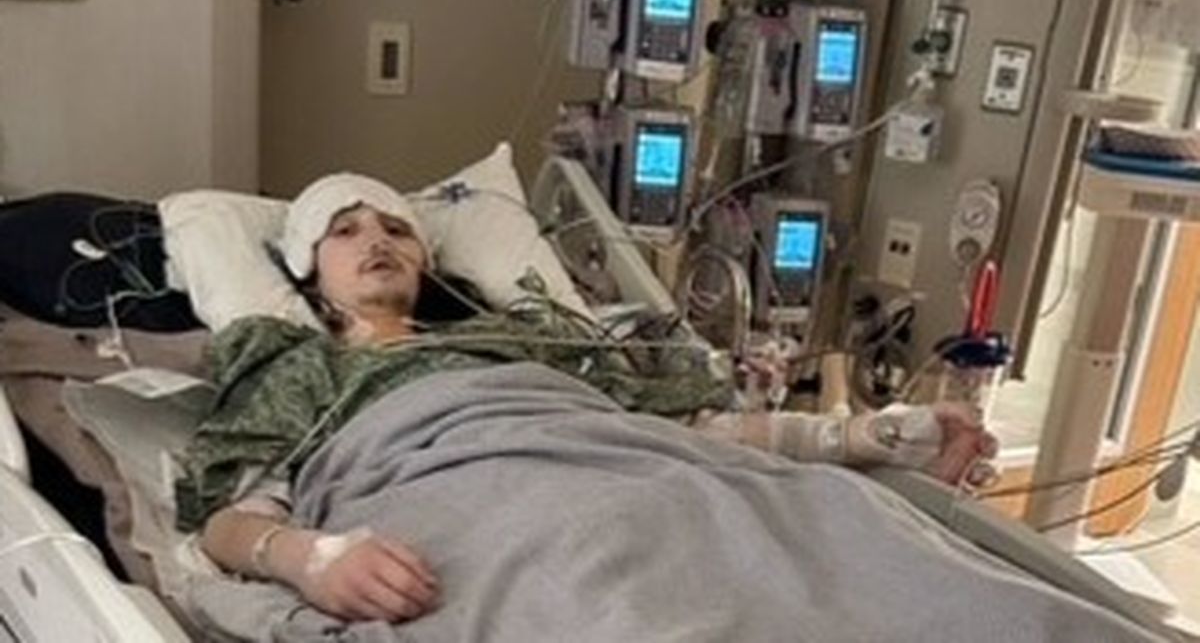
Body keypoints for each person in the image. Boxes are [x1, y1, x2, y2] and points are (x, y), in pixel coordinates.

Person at [179, 173, 997, 625]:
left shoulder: (524, 339)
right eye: (346, 230)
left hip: (647, 478)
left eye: (395, 228)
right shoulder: (299, 368)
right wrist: (311, 560)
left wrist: (867, 438)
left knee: (857, 549)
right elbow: (230, 521)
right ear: (307, 270)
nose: (376, 242)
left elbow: (688, 428)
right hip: (485, 511)